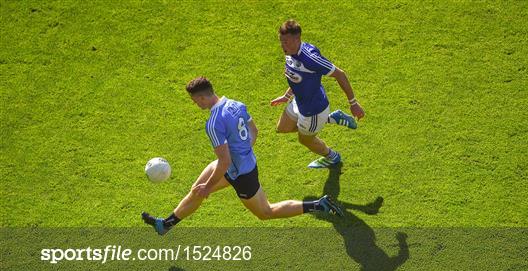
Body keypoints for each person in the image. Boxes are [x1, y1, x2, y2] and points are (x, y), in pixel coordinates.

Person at [142, 77, 343, 235]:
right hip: (238, 164)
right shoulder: (236, 104)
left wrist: (210, 186)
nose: (196, 104)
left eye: (195, 101)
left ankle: (319, 204)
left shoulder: (213, 123)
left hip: (242, 175)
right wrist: (242, 150)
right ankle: (165, 225)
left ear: (203, 97)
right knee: (197, 190)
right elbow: (254, 130)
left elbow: (225, 161)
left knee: (266, 212)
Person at [271, 19, 365, 168]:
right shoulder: (289, 51)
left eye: (286, 42)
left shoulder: (311, 58)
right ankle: (331, 119)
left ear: (297, 39)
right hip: (299, 102)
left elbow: (340, 74)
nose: (283, 45)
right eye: (281, 41)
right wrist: (287, 96)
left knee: (305, 140)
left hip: (313, 110)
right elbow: (296, 76)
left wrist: (353, 103)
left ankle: (332, 157)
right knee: (282, 128)